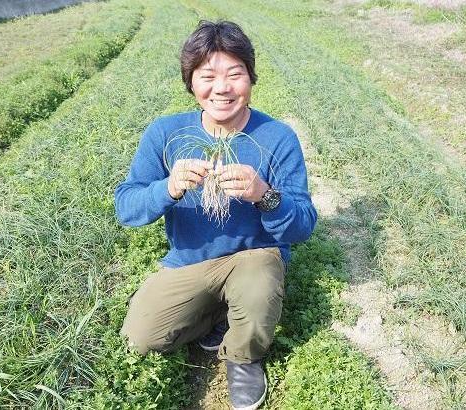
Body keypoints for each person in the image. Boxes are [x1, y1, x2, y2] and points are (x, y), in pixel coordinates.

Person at [114, 20, 317, 410]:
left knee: (257, 279)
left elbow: (303, 224)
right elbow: (127, 207)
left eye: (234, 74)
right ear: (191, 83)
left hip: (254, 259)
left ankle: (243, 356)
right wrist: (168, 187)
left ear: (251, 79)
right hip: (189, 263)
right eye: (207, 76)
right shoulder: (165, 134)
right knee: (140, 337)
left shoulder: (277, 138)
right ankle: (224, 311)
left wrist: (264, 195)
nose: (221, 88)